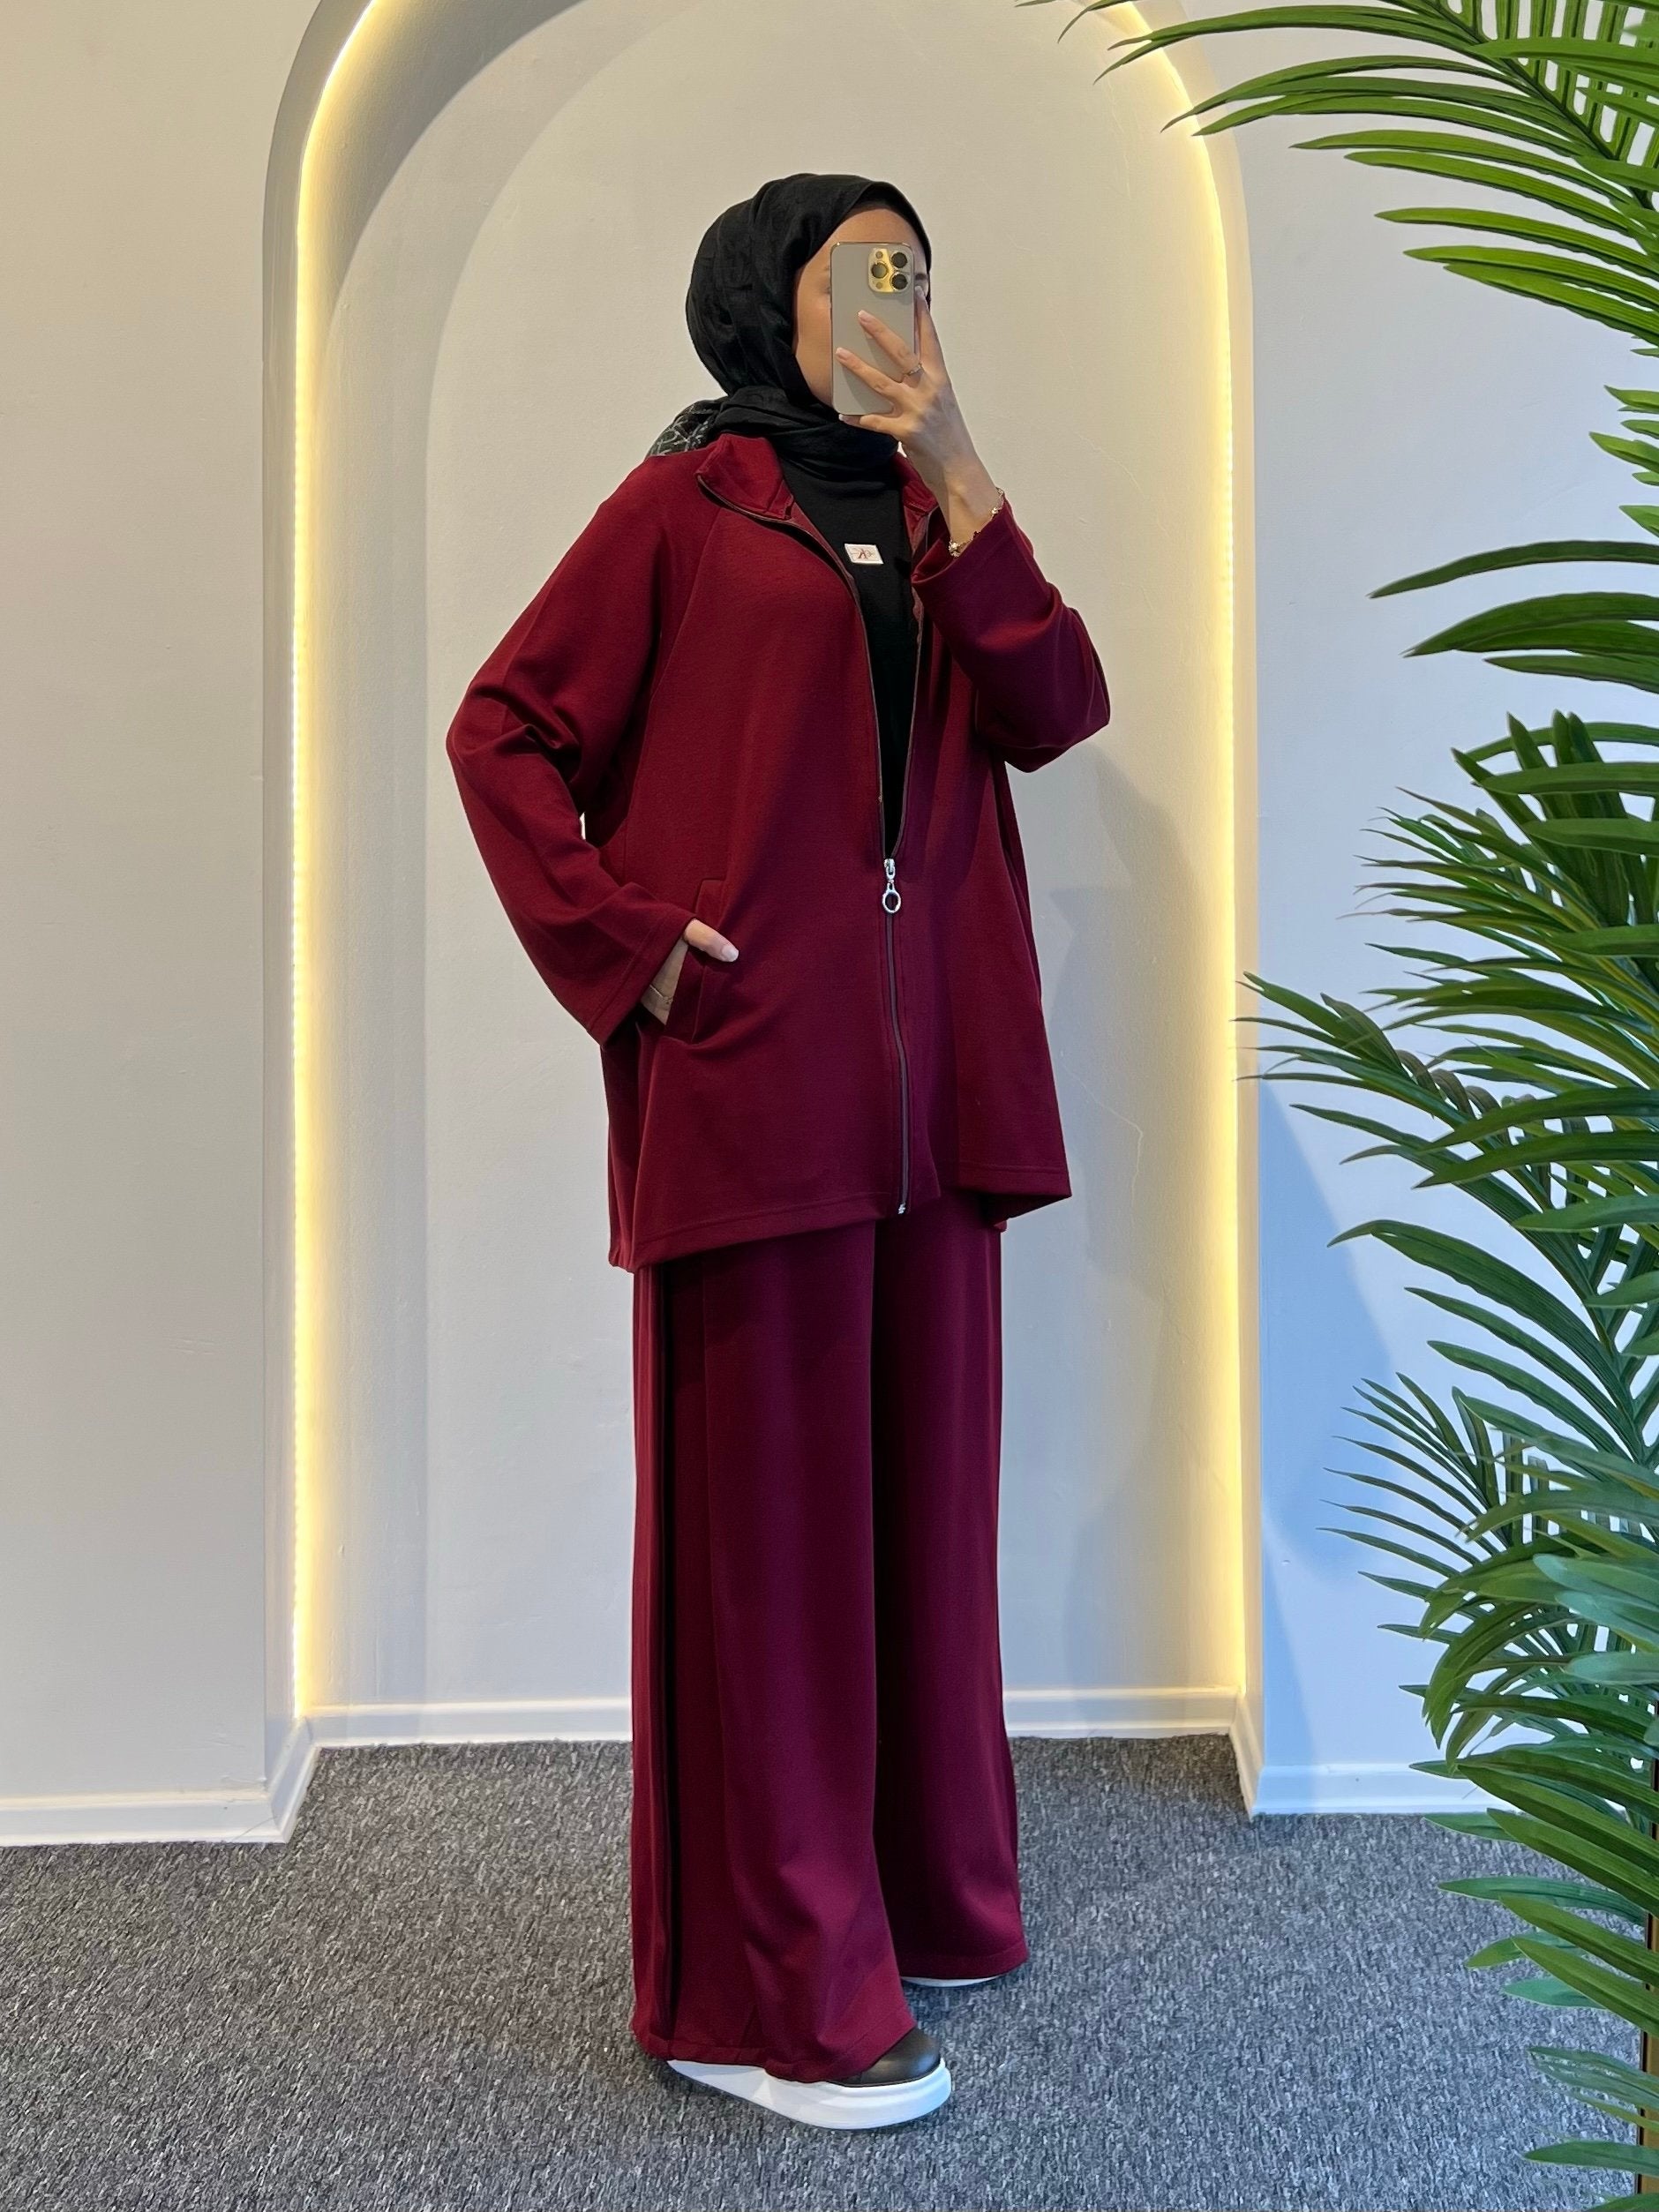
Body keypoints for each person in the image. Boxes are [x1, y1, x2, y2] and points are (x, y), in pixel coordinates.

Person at [446, 171, 1110, 2131]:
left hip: (936, 1107)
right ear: (769, 300)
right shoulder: (686, 503)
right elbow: (503, 732)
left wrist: (963, 464)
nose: (901, 300)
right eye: (863, 270)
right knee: (772, 1563)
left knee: (924, 1535)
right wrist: (626, 946)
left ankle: (914, 1903)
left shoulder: (935, 509)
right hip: (756, 1089)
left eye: (921, 272)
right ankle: (757, 1994)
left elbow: (1057, 708)